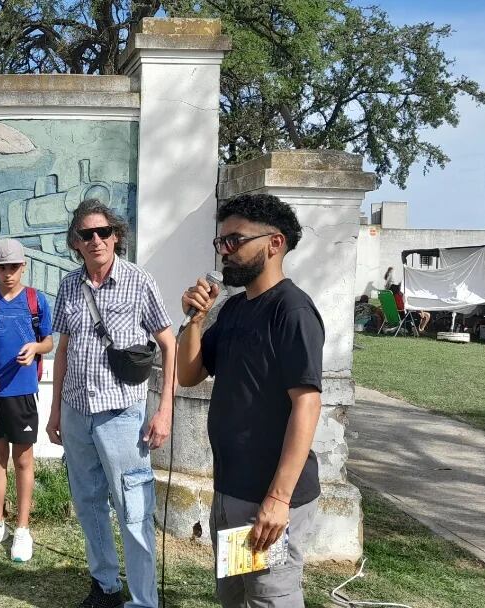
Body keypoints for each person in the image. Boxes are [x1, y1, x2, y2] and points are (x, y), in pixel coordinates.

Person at [176, 193, 324, 608]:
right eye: (220, 243)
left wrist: (277, 501)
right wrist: (197, 319)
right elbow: (189, 375)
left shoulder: (291, 311)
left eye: (235, 241)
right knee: (236, 598)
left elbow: (307, 405)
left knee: (269, 597)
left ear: (274, 243)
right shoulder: (237, 309)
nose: (225, 252)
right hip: (231, 491)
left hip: (269, 499)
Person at [46, 198, 176, 608]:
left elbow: (169, 346)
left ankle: (143, 600)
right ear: (76, 243)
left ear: (116, 236)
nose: (96, 240)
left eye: (104, 232)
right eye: (87, 235)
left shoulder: (139, 281)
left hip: (122, 416)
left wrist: (165, 409)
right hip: (76, 411)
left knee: (133, 510)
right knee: (88, 505)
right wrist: (55, 411)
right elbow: (63, 350)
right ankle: (105, 586)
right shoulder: (69, 285)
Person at [0, 238, 54, 562]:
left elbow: (49, 342)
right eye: (2, 267)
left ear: (23, 266)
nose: (8, 273)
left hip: (22, 393)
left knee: (23, 461)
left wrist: (35, 349)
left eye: (14, 267)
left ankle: (23, 529)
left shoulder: (35, 300)